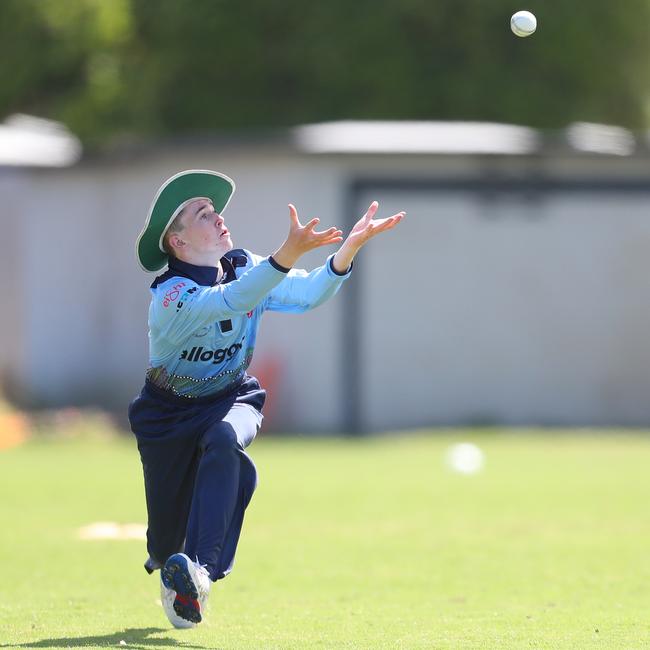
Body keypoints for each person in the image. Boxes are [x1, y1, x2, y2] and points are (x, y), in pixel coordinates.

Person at [128, 169, 404, 628]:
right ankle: (176, 567)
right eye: (203, 214)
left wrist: (347, 250)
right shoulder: (170, 296)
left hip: (230, 398)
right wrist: (283, 257)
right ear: (177, 243)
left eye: (216, 211)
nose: (218, 219)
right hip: (167, 417)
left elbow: (308, 293)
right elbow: (232, 301)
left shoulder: (246, 266)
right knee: (163, 547)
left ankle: (199, 572)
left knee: (223, 439)